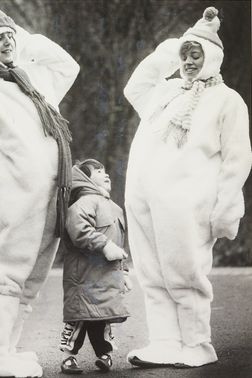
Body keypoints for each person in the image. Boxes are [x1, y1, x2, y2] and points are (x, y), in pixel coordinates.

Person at [0, 7, 79, 378]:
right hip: (10, 201)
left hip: (48, 200)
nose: (7, 43)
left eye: (10, 36)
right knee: (2, 278)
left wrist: (25, 39)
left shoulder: (31, 77)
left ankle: (6, 350)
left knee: (29, 281)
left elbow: (67, 66)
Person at [123, 7, 251, 368]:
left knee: (185, 272)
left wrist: (227, 206)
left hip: (188, 202)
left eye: (196, 54)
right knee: (151, 273)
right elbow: (136, 84)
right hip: (144, 199)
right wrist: (177, 43)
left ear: (212, 57)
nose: (189, 61)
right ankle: (164, 342)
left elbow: (237, 159)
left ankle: (196, 344)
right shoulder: (165, 92)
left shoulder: (228, 100)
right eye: (185, 54)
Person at [59, 159, 131, 374]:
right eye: (99, 171)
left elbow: (121, 243)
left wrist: (124, 271)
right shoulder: (83, 203)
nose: (105, 173)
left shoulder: (115, 208)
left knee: (103, 316)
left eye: (105, 170)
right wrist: (105, 245)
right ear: (85, 179)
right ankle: (68, 356)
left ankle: (104, 355)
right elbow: (79, 230)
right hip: (84, 276)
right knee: (80, 318)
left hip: (108, 276)